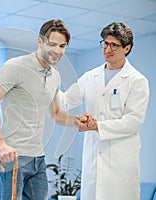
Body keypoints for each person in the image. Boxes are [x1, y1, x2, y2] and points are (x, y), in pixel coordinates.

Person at [0, 19, 81, 200]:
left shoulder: (55, 76)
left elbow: (55, 113)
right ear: (40, 42)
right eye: (52, 44)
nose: (57, 50)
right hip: (12, 158)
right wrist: (0, 145)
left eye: (62, 46)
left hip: (38, 159)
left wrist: (76, 121)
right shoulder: (16, 66)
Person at [61, 22, 150, 200]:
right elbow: (65, 101)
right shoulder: (90, 77)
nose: (107, 49)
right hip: (94, 162)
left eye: (114, 45)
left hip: (121, 164)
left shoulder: (137, 81)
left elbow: (133, 122)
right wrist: (48, 79)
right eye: (105, 43)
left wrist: (96, 126)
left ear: (127, 48)